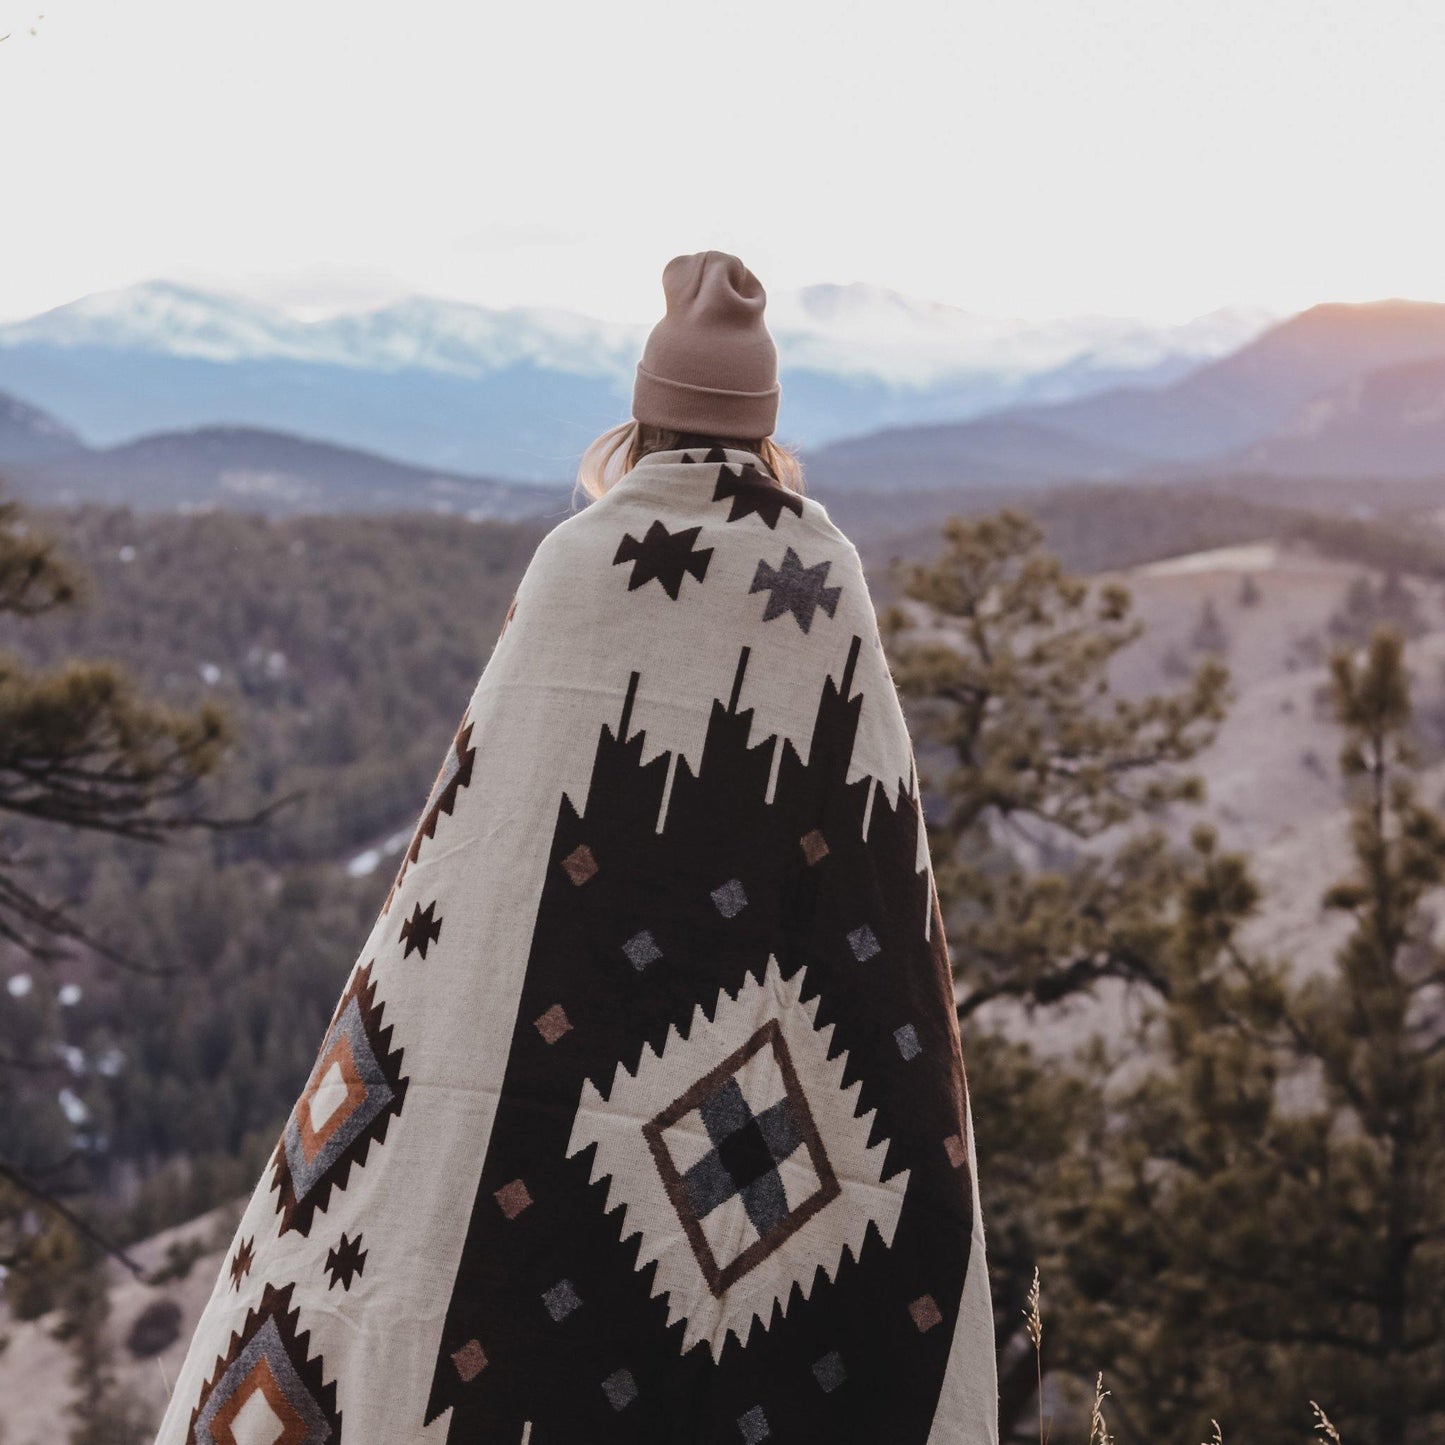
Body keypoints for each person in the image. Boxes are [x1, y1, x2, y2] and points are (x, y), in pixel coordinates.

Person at [155, 251, 998, 1444]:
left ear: (641, 414)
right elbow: (873, 877)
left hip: (556, 1060)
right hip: (788, 1108)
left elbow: (481, 845)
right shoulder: (827, 575)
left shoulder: (580, 561)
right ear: (765, 431)